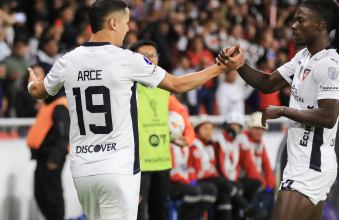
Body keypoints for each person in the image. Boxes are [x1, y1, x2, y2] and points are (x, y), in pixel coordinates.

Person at [27, 0, 242, 219]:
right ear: (113, 23)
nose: (128, 28)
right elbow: (178, 85)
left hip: (82, 169)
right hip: (117, 168)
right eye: (126, 22)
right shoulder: (126, 59)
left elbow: (38, 90)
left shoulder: (67, 61)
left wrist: (30, 83)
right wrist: (220, 68)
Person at [217, 0, 339, 219]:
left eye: (300, 20)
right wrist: (239, 65)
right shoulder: (304, 57)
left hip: (309, 165)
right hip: (307, 163)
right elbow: (268, 83)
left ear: (320, 24)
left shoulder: (329, 63)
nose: (293, 25)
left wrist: (283, 110)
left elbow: (329, 115)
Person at [129, 40, 195, 220]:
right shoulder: (127, 87)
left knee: (159, 214)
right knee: (138, 215)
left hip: (163, 163)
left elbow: (181, 113)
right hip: (137, 165)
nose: (151, 60)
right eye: (145, 56)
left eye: (154, 55)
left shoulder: (164, 88)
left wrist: (188, 137)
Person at [188, 115, 267, 220]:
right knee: (226, 186)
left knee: (249, 186)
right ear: (197, 130)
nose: (209, 132)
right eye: (205, 128)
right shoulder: (201, 145)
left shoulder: (209, 145)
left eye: (211, 128)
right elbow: (201, 170)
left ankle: (244, 211)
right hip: (205, 179)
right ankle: (246, 209)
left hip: (217, 179)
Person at [26, 90, 70, 220]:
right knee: (40, 194)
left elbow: (64, 135)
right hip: (43, 158)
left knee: (53, 197)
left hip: (51, 159)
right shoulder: (50, 104)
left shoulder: (60, 105)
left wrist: (55, 158)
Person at [169, 108, 217, 220]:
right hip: (171, 183)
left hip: (184, 182)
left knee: (211, 190)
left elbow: (189, 167)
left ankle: (193, 217)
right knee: (194, 191)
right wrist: (189, 181)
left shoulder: (185, 142)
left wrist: (192, 179)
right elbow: (172, 171)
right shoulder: (168, 141)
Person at [237, 112, 276, 220]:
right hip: (243, 179)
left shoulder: (259, 142)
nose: (259, 132)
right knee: (259, 188)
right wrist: (264, 183)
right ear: (250, 128)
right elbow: (248, 166)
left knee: (270, 192)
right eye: (256, 128)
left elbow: (266, 164)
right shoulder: (242, 140)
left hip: (255, 180)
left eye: (262, 129)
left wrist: (270, 183)